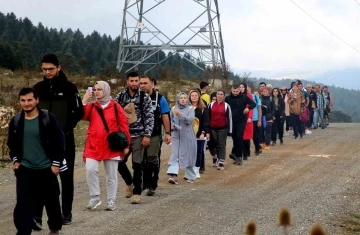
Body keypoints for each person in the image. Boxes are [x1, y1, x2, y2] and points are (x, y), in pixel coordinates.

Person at [33, 53, 84, 226]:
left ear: (58, 68)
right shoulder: (37, 89)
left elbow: (79, 112)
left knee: (66, 177)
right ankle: (37, 216)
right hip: (41, 142)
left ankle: (66, 213)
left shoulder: (70, 88)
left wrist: (65, 128)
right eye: (44, 69)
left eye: (51, 69)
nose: (47, 72)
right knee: (41, 177)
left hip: (64, 140)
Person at [7, 87, 65, 235]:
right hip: (25, 168)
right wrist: (16, 161)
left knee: (51, 202)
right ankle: (23, 231)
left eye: (30, 100)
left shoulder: (48, 118)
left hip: (47, 168)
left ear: (37, 100)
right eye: (23, 100)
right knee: (23, 204)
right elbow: (12, 144)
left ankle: (54, 228)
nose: (26, 104)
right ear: (20, 101)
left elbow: (60, 142)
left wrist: (56, 164)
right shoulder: (17, 121)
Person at [82, 81, 131, 211]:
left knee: (111, 176)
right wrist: (84, 100)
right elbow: (81, 115)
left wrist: (127, 145)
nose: (96, 91)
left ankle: (111, 200)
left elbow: (124, 126)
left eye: (99, 89)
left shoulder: (116, 107)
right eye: (95, 89)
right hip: (94, 144)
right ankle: (95, 196)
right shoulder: (92, 107)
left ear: (106, 90)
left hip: (111, 145)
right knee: (90, 170)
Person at [115, 72, 154, 204]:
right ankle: (129, 182)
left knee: (137, 164)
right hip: (123, 135)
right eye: (131, 81)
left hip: (138, 135)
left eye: (136, 81)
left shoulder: (144, 97)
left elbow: (149, 116)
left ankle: (137, 192)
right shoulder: (120, 96)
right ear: (127, 82)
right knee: (118, 162)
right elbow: (114, 113)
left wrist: (147, 134)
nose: (134, 83)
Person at [139, 76, 171, 196]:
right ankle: (144, 182)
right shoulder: (136, 97)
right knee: (141, 160)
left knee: (152, 159)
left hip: (154, 134)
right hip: (139, 134)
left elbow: (165, 116)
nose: (142, 85)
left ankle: (152, 184)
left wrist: (168, 133)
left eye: (145, 83)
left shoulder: (160, 98)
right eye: (140, 83)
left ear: (152, 84)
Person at [167, 92, 197, 184]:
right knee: (175, 154)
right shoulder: (173, 108)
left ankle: (190, 176)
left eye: (185, 98)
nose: (183, 99)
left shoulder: (191, 108)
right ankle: (173, 175)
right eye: (181, 98)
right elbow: (170, 119)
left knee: (188, 155)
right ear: (178, 99)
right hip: (176, 135)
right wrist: (171, 125)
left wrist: (180, 115)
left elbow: (190, 120)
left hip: (188, 136)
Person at [208, 89, 232, 169]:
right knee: (212, 144)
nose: (219, 96)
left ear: (224, 96)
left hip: (222, 128)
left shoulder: (226, 106)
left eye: (221, 94)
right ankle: (215, 157)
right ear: (216, 95)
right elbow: (207, 117)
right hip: (212, 128)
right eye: (218, 94)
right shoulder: (210, 105)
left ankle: (221, 161)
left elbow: (229, 118)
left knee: (221, 144)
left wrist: (230, 130)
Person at [189, 89, 210, 178]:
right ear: (189, 97)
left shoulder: (203, 108)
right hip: (188, 134)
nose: (194, 97)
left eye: (196, 95)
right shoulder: (186, 108)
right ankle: (190, 170)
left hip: (200, 134)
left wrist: (203, 132)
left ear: (198, 97)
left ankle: (197, 170)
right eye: (192, 95)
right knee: (190, 153)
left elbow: (206, 121)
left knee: (198, 152)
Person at [240, 84, 255, 160]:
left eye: (243, 87)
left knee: (247, 137)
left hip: (247, 118)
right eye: (240, 87)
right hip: (239, 118)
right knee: (240, 136)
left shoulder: (248, 95)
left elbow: (252, 107)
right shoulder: (237, 96)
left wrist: (250, 117)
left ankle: (247, 152)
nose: (241, 88)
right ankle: (242, 153)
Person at [248, 86, 262, 156]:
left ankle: (257, 148)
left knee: (255, 135)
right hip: (246, 119)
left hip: (254, 119)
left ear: (251, 89)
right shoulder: (243, 97)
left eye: (248, 89)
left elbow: (259, 109)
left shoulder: (255, 97)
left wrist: (260, 120)